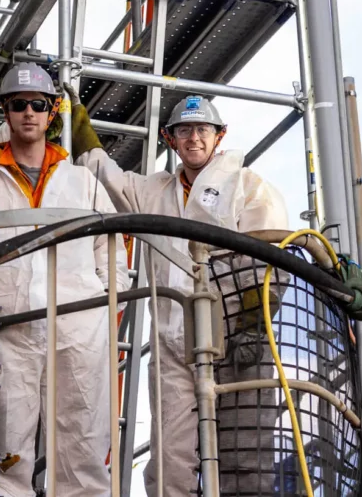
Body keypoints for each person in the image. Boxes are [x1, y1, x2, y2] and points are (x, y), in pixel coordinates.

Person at [0, 62, 129, 497]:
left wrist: (109, 299)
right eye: (19, 105)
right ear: (6, 111)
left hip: (79, 326)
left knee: (84, 446)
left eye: (39, 104)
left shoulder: (81, 181)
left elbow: (111, 251)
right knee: (7, 446)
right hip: (8, 327)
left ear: (53, 112)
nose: (29, 113)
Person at [69, 91, 289, 497]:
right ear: (171, 140)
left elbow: (269, 260)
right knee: (171, 457)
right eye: (184, 131)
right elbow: (109, 179)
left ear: (219, 135)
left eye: (202, 129)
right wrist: (78, 126)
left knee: (246, 450)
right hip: (173, 343)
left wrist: (253, 323)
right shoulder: (155, 191)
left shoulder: (247, 186)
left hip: (238, 337)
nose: (194, 139)